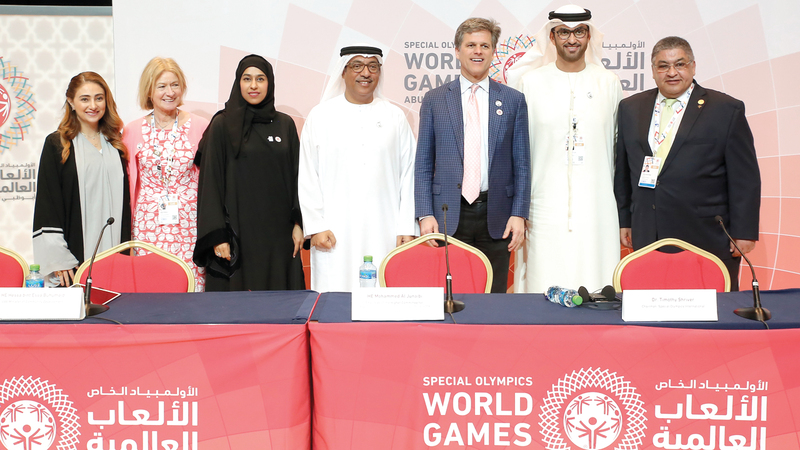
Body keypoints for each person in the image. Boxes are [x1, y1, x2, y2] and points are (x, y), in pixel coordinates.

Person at [614, 36, 761, 291]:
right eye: (663, 66)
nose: (672, 72)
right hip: (648, 231)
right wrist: (624, 220)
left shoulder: (725, 109)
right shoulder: (630, 108)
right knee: (653, 305)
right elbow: (624, 170)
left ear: (693, 67)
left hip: (706, 234)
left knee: (710, 309)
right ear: (653, 70)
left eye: (680, 64)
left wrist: (744, 231)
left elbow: (744, 177)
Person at [506, 5, 622, 293]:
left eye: (579, 32)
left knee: (597, 281)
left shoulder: (608, 82)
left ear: (589, 35)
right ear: (552, 36)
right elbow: (518, 152)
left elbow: (619, 148)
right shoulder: (530, 82)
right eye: (564, 33)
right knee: (543, 280)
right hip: (543, 205)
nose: (572, 39)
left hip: (597, 206)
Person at [415, 18, 531, 293]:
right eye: (470, 45)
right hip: (447, 216)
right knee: (449, 297)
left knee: (495, 296)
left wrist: (519, 213)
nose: (478, 51)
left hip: (498, 215)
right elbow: (423, 164)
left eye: (484, 46)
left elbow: (522, 164)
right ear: (457, 51)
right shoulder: (434, 99)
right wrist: (424, 213)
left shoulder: (514, 100)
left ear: (493, 52)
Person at [299, 45, 416, 292]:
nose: (366, 73)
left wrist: (407, 227)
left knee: (383, 296)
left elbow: (409, 174)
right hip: (333, 233)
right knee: (335, 298)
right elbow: (308, 175)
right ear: (343, 72)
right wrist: (316, 226)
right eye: (357, 66)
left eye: (373, 66)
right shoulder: (320, 116)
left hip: (386, 230)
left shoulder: (395, 117)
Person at [194, 55, 305, 291]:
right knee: (237, 305)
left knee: (280, 303)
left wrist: (299, 224)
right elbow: (210, 183)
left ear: (270, 83)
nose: (253, 85)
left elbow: (298, 178)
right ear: (238, 82)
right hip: (237, 235)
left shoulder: (285, 125)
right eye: (247, 79)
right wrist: (217, 236)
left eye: (260, 79)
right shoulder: (222, 125)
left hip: (278, 235)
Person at [32, 72, 131, 287]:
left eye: (99, 98)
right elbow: (47, 204)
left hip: (115, 252)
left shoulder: (116, 144)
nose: (93, 105)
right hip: (73, 257)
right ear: (71, 101)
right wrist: (58, 257)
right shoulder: (58, 144)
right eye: (84, 99)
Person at [123, 57, 209, 291]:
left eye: (175, 85)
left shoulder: (201, 126)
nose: (170, 92)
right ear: (149, 91)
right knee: (151, 290)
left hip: (190, 225)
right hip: (147, 226)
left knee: (190, 289)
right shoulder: (132, 130)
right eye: (161, 86)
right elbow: (129, 181)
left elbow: (211, 179)